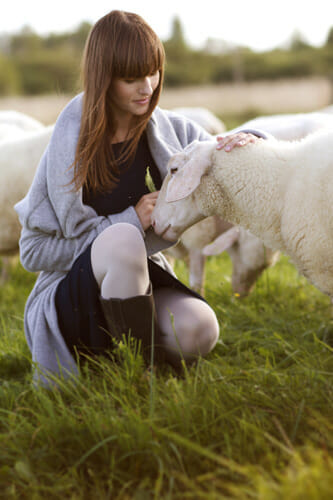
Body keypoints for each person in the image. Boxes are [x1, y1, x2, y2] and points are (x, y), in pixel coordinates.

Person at [15, 10, 263, 386]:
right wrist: (126, 223)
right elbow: (33, 252)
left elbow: (218, 148)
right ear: (104, 78)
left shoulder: (166, 129)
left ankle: (126, 359)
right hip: (72, 301)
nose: (147, 86)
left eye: (153, 72)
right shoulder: (69, 142)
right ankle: (138, 378)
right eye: (131, 78)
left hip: (138, 283)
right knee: (121, 238)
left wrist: (252, 141)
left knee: (200, 328)